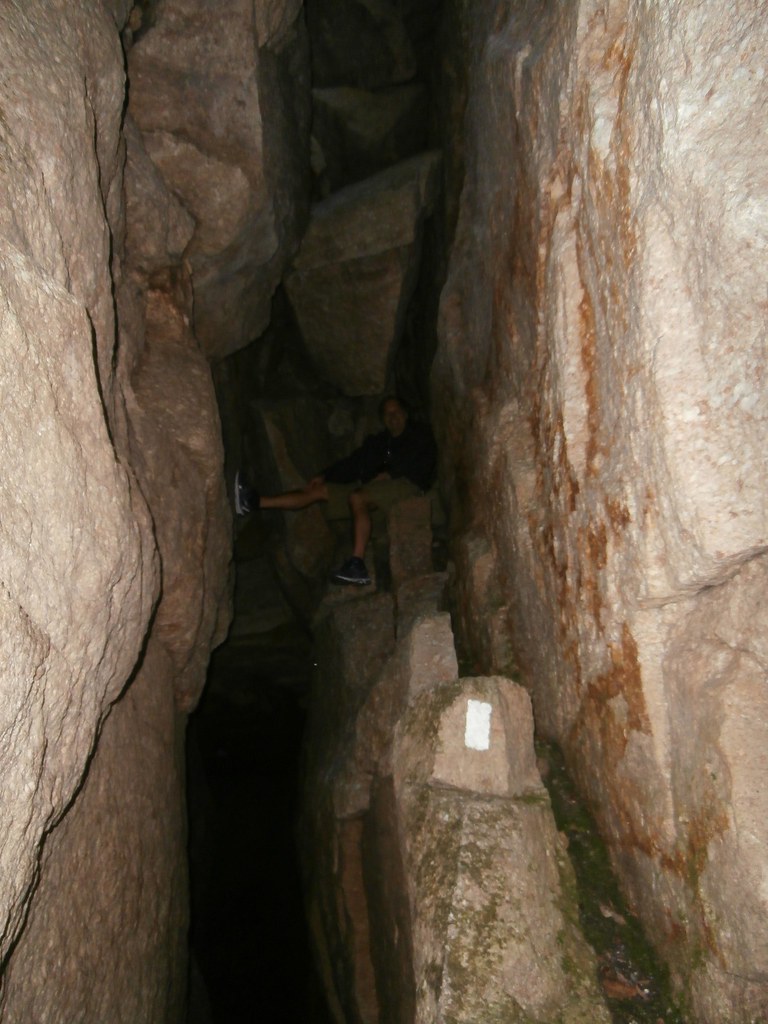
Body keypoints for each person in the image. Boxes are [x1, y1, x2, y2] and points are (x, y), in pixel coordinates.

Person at [235, 396, 436, 585]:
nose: (393, 417)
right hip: (374, 488)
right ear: (383, 419)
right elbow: (353, 463)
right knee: (319, 491)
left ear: (406, 413)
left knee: (358, 497)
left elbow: (423, 462)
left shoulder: (419, 434)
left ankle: (357, 565)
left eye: (397, 412)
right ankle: (253, 502)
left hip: (406, 485)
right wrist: (325, 475)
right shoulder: (378, 443)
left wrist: (390, 474)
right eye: (387, 414)